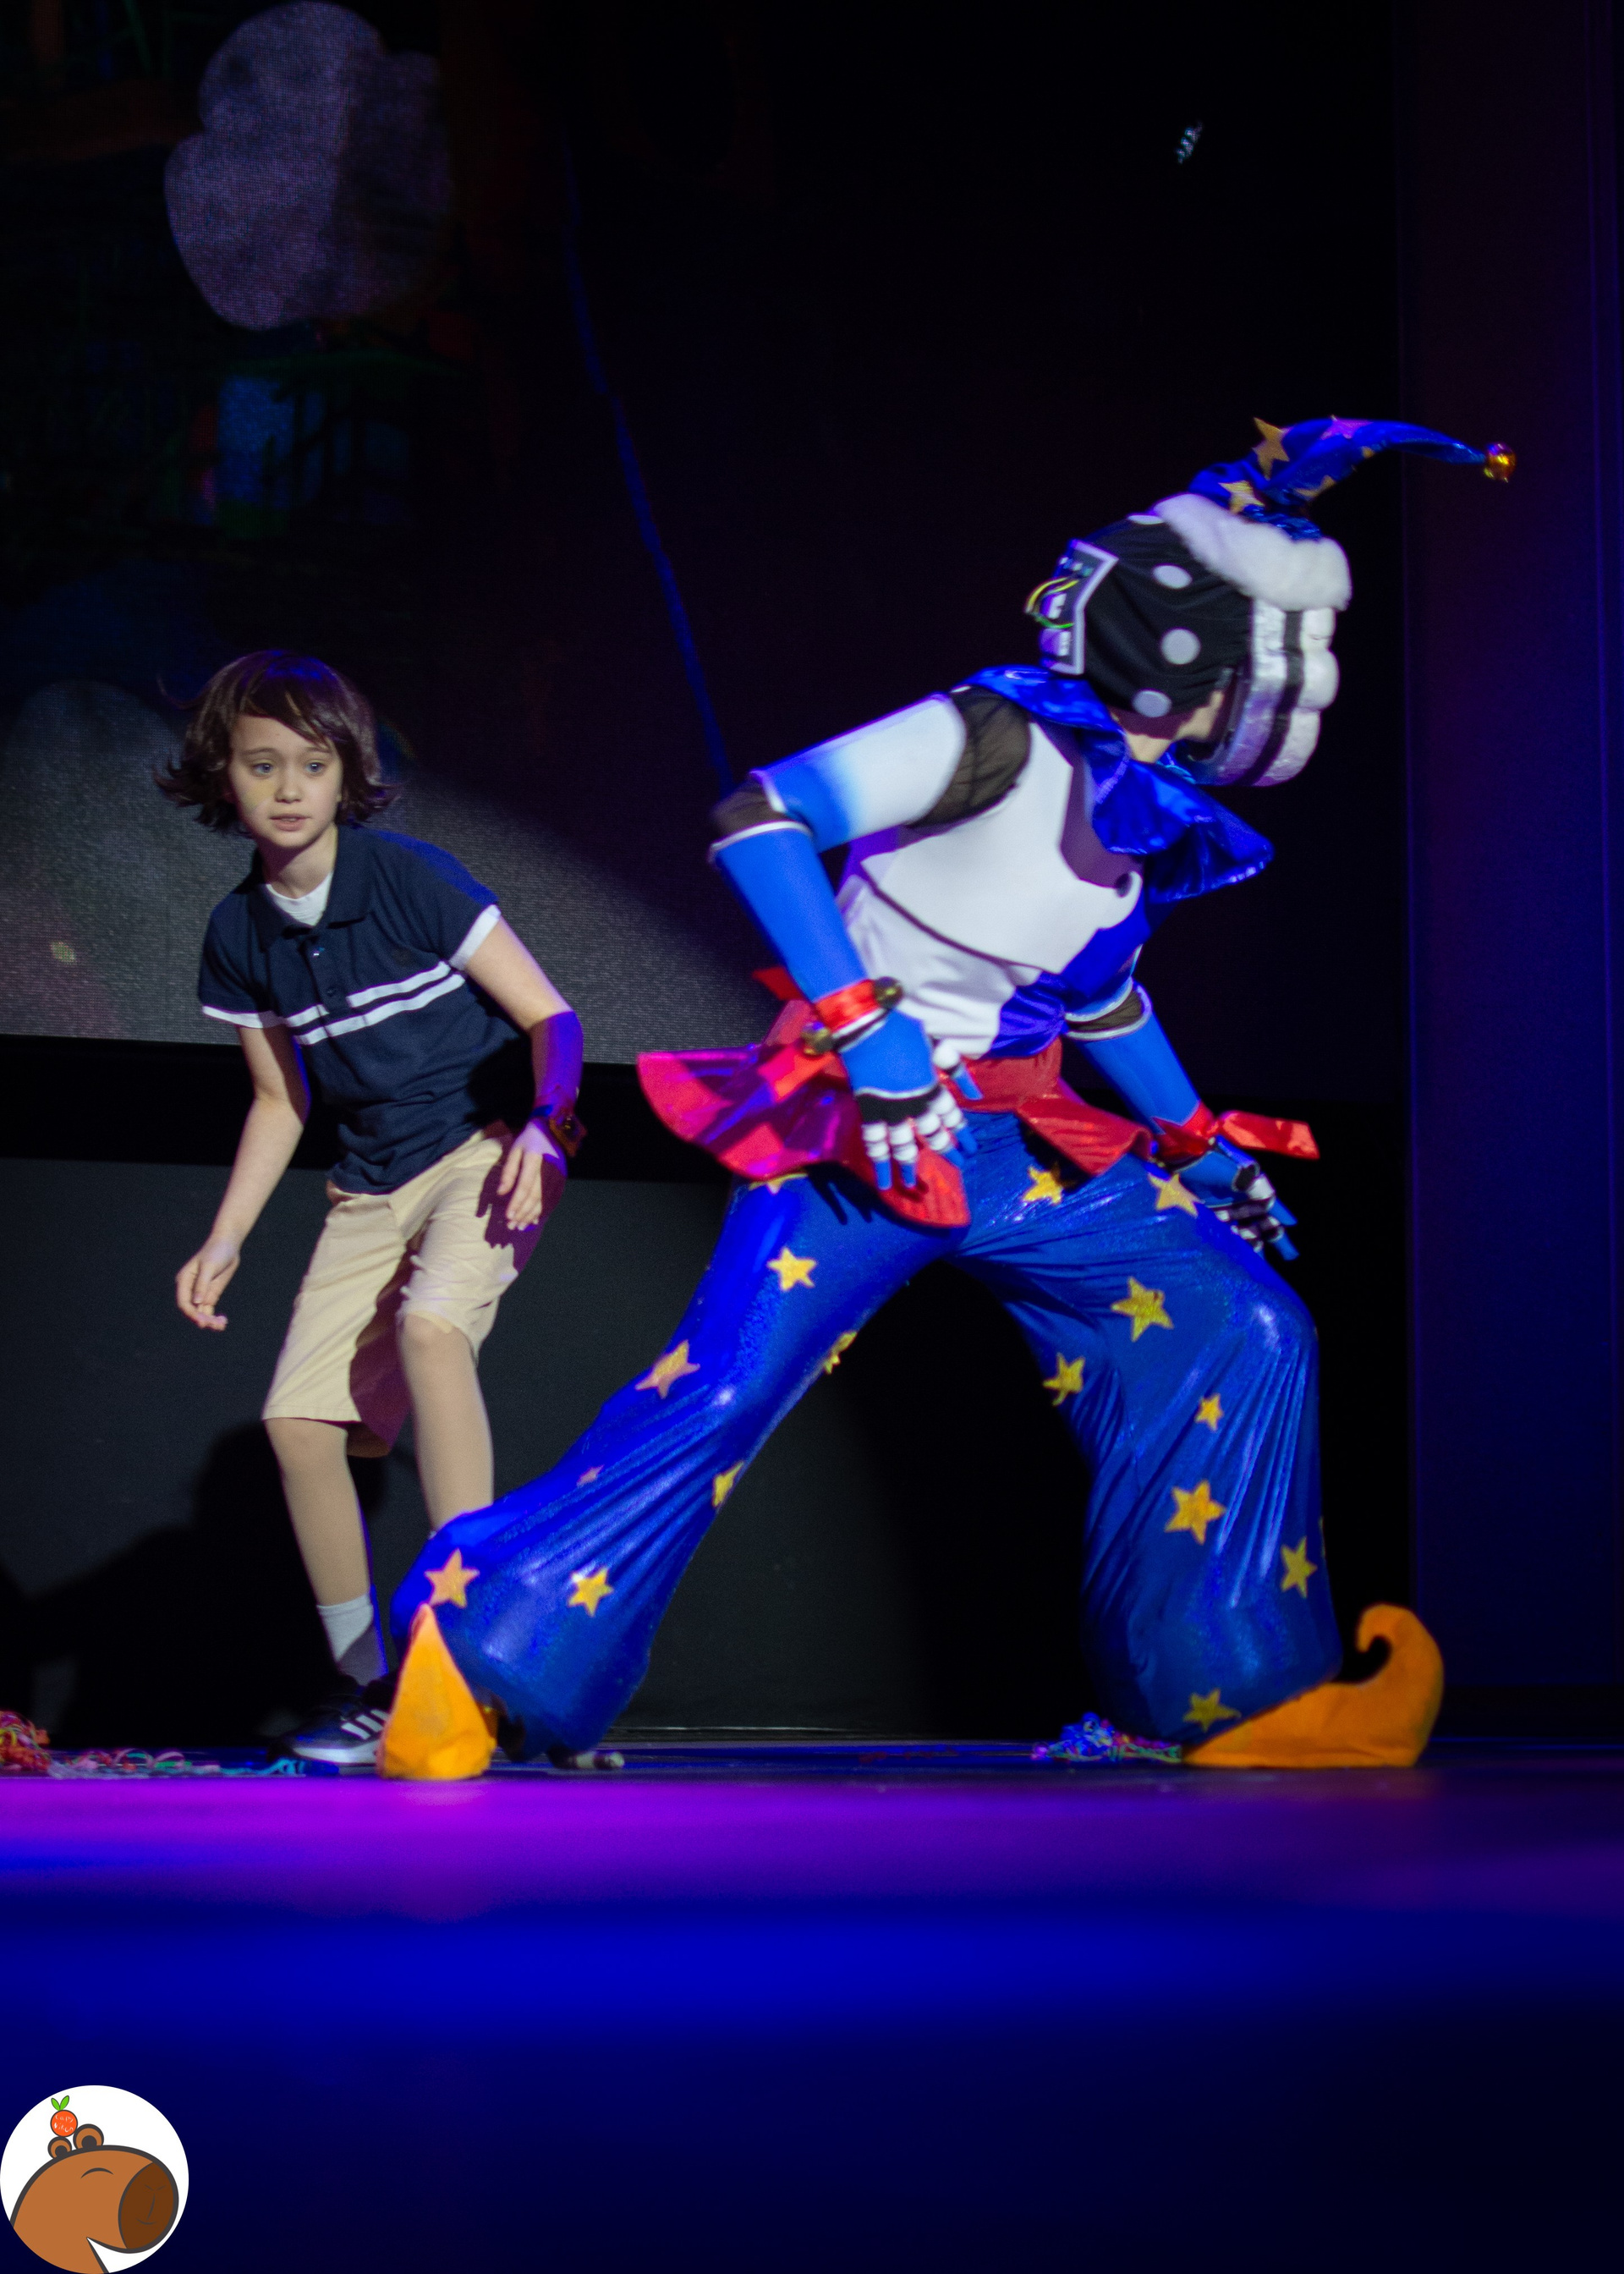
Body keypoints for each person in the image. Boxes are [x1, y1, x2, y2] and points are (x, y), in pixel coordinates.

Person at [378, 417, 1509, 1781]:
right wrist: (869, 1030)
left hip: (1023, 1144)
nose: (1251, 712)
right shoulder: (991, 732)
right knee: (727, 1386)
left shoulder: (1138, 804)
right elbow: (760, 818)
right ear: (1189, 655)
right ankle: (476, 1656)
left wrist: (1201, 1145)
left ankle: (1235, 1688)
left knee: (1242, 1322)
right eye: (1249, 679)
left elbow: (1103, 1001)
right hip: (868, 1141)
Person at [157, 651, 583, 1764]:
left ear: (348, 773)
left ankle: (462, 1650)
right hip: (369, 1182)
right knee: (297, 1427)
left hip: (489, 1148)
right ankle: (368, 1688)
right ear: (224, 776)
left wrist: (545, 1123)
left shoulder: (410, 878)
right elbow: (278, 1099)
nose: (289, 788)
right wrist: (226, 1236)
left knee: (433, 1328)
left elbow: (552, 1018)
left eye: (313, 764)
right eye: (263, 765)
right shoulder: (238, 934)